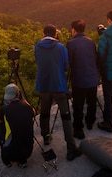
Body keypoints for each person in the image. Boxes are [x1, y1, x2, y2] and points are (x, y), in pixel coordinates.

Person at [35, 24, 82, 161]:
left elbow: (39, 62)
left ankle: (46, 137)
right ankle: (71, 148)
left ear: (43, 34)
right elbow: (67, 67)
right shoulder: (61, 47)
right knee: (65, 117)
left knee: (44, 113)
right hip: (59, 86)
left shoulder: (37, 46)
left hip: (44, 85)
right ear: (55, 34)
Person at [66, 19, 100, 139]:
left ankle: (78, 128)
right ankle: (90, 122)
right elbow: (95, 58)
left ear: (74, 29)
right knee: (91, 102)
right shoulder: (91, 42)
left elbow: (68, 62)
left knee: (78, 104)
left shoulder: (71, 44)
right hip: (92, 77)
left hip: (79, 79)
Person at [0, 83, 35, 168]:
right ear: (19, 94)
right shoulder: (27, 107)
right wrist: (23, 101)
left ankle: (7, 161)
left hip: (12, 154)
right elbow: (33, 113)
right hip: (28, 151)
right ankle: (22, 161)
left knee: (0, 125)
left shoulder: (4, 109)